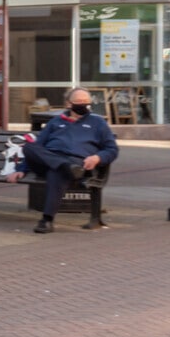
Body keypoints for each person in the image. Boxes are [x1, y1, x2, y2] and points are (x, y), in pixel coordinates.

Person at [23, 87, 119, 233]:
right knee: (29, 147)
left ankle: (46, 220)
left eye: (86, 102)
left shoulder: (98, 123)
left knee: (58, 172)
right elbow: (38, 146)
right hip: (51, 161)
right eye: (79, 102)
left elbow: (112, 149)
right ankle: (64, 166)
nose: (83, 105)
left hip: (77, 163)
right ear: (69, 104)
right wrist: (19, 169)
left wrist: (97, 157)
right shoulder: (55, 122)